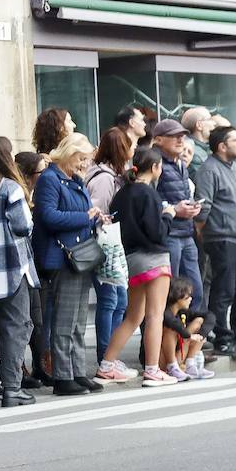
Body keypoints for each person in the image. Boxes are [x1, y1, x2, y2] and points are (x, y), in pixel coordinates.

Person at [33, 134, 106, 396]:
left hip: (79, 256)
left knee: (76, 322)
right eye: (81, 158)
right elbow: (48, 216)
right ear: (67, 153)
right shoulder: (50, 179)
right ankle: (63, 377)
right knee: (64, 321)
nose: (85, 164)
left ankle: (77, 372)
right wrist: (84, 216)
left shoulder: (74, 179)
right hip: (63, 258)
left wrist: (95, 218)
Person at [101, 144, 178, 387]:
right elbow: (158, 233)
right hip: (154, 258)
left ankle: (107, 364)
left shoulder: (121, 194)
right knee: (155, 315)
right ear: (155, 167)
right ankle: (153, 370)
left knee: (133, 316)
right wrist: (168, 215)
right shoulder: (149, 193)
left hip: (131, 259)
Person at [194, 126, 236, 354]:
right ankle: (221, 337)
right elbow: (202, 207)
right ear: (222, 146)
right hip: (222, 238)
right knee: (224, 290)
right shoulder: (209, 170)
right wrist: (203, 233)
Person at [87, 127, 133, 364]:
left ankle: (110, 355)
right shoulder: (104, 178)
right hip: (104, 246)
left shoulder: (108, 175)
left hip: (110, 246)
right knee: (110, 300)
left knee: (119, 301)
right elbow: (95, 212)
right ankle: (106, 356)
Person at [0, 137, 37, 406]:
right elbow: (23, 226)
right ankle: (11, 387)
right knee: (16, 325)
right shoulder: (9, 188)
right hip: (10, 268)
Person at [152, 119, 204, 316]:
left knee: (195, 290)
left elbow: (180, 197)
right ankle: (170, 340)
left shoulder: (180, 163)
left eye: (182, 135)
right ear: (158, 140)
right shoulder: (155, 163)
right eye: (174, 136)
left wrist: (191, 207)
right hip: (170, 234)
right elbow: (150, 200)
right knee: (170, 291)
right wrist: (174, 208)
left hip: (186, 233)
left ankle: (190, 337)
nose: (180, 140)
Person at [15, 151, 50, 388]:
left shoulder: (34, 195)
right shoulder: (16, 193)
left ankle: (39, 365)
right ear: (29, 174)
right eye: (41, 171)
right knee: (20, 321)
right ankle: (18, 368)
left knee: (36, 319)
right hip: (20, 266)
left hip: (33, 266)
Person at [160, 277, 215, 380]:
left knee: (199, 321)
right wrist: (189, 335)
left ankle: (190, 363)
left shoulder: (183, 312)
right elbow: (172, 322)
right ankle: (172, 367)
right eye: (188, 295)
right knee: (171, 329)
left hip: (179, 354)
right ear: (177, 295)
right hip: (162, 358)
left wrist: (201, 335)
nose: (191, 299)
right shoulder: (164, 311)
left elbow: (210, 316)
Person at [180, 107, 214, 176]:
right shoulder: (194, 154)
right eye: (210, 119)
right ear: (199, 125)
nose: (214, 123)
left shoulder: (205, 149)